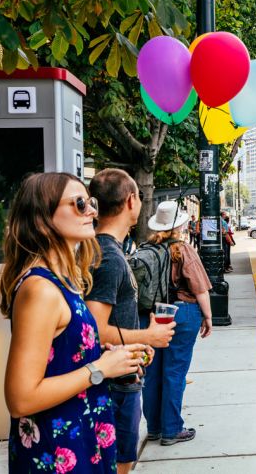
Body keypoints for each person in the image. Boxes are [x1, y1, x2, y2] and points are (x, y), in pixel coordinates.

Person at [2, 172, 147, 473]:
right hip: (57, 453)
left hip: (79, 438)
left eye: (90, 202)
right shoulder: (41, 290)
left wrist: (111, 358)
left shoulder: (62, 282)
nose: (92, 211)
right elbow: (21, 397)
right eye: (80, 204)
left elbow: (63, 357)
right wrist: (100, 369)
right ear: (42, 219)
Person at [85, 169, 175, 474]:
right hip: (116, 384)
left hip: (120, 377)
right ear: (131, 200)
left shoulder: (106, 251)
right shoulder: (109, 257)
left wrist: (140, 339)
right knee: (120, 464)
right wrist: (150, 337)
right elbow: (95, 330)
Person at [138, 201, 213, 446]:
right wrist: (208, 316)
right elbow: (200, 288)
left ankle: (155, 428)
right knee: (175, 372)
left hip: (153, 316)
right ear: (179, 225)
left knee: (153, 373)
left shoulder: (148, 247)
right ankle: (172, 430)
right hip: (182, 313)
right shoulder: (182, 250)